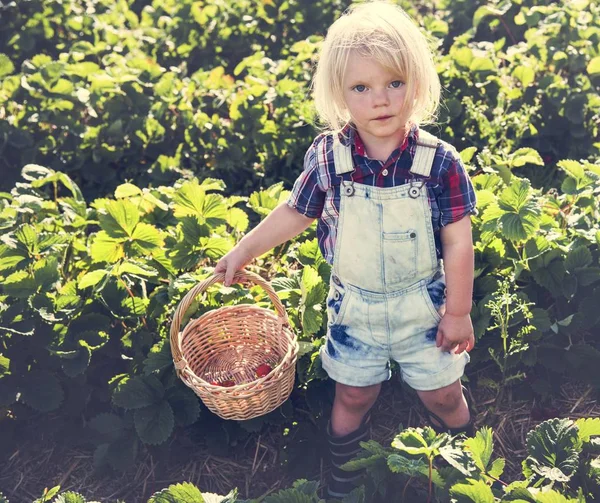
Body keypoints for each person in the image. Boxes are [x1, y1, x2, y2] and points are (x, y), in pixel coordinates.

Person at [215, 1, 477, 498]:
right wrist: (242, 251)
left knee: (442, 394)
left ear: (417, 83)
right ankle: (344, 480)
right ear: (340, 94)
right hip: (354, 305)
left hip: (422, 305)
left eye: (394, 83)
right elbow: (296, 210)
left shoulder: (437, 161)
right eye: (361, 88)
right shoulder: (329, 156)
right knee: (353, 394)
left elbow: (457, 239)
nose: (381, 100)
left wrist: (458, 311)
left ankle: (465, 469)